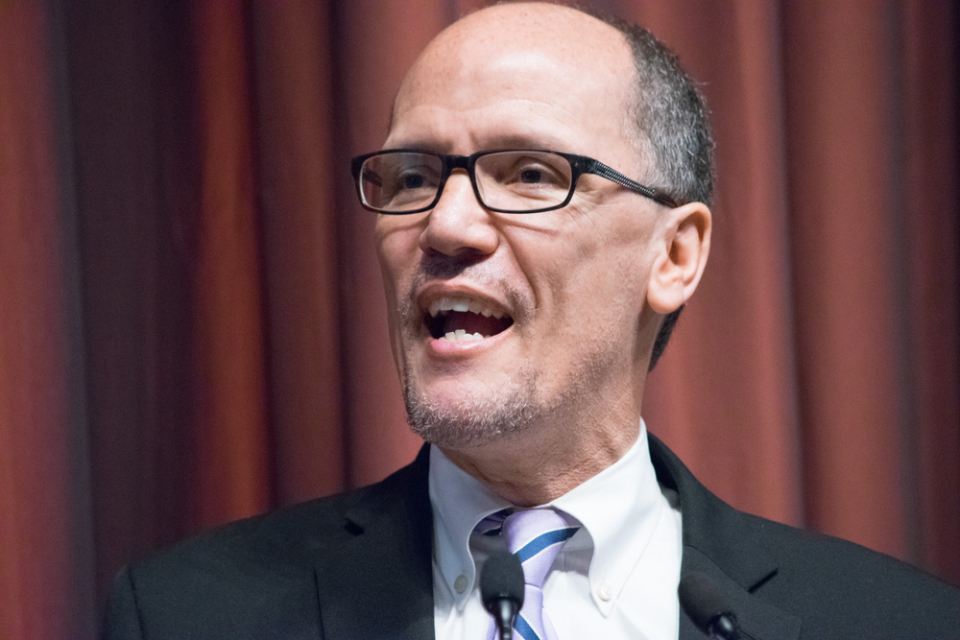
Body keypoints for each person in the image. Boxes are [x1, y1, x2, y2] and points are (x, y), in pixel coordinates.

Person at [104, 3, 960, 639]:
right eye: (411, 177)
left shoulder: (899, 623)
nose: (445, 226)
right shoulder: (185, 613)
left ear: (674, 255)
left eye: (529, 174)